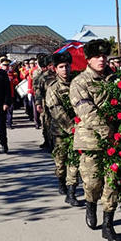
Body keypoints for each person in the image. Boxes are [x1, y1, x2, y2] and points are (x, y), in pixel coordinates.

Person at [69, 38, 121, 241]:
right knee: (92, 183)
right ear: (88, 59)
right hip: (91, 140)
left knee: (113, 183)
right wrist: (107, 131)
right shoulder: (79, 82)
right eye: (96, 56)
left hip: (116, 141)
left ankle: (108, 224)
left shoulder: (116, 79)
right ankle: (90, 205)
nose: (101, 60)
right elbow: (86, 111)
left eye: (104, 56)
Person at [45, 52, 80, 206]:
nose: (65, 69)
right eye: (61, 67)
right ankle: (61, 181)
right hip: (60, 132)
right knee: (60, 163)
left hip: (77, 130)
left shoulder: (77, 83)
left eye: (67, 66)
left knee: (74, 161)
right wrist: (72, 128)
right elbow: (57, 111)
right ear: (55, 69)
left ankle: (71, 192)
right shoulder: (53, 88)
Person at [34, 55, 56, 150]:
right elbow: (38, 91)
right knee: (46, 123)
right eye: (50, 65)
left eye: (53, 64)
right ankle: (48, 141)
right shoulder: (43, 77)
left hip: (58, 104)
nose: (52, 67)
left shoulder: (59, 74)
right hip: (46, 104)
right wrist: (38, 103)